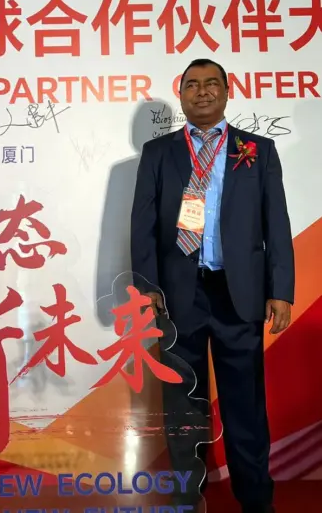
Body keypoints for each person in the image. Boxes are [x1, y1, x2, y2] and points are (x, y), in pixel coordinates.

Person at [130, 58, 294, 513]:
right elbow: (142, 224)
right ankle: (187, 498)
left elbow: (276, 223)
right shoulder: (159, 152)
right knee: (183, 405)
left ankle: (255, 499)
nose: (201, 91)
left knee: (245, 404)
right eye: (192, 85)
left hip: (239, 293)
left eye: (211, 84)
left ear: (226, 91)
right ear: (181, 94)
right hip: (178, 295)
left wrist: (280, 289)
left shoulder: (257, 150)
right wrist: (147, 286)